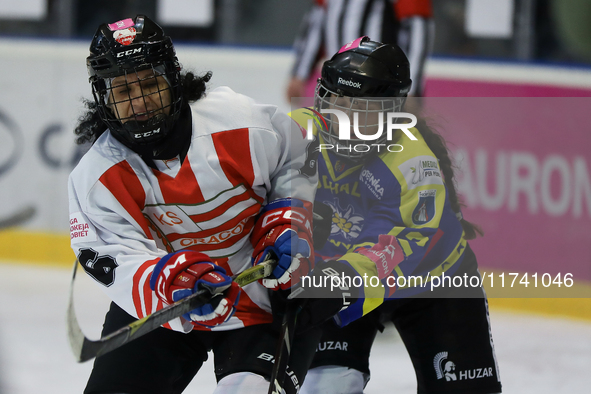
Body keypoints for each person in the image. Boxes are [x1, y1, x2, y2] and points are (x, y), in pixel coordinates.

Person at [68, 15, 321, 394]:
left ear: (173, 79)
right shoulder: (97, 179)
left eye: (150, 83)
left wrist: (288, 219)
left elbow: (299, 161)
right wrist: (172, 281)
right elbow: (116, 259)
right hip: (169, 305)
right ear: (103, 98)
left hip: (263, 295)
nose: (139, 102)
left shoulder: (240, 122)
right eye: (122, 91)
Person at [289, 37, 502, 393]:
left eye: (361, 109)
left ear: (392, 113)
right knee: (325, 387)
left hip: (432, 282)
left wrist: (336, 280)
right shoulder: (295, 134)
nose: (344, 121)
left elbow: (397, 247)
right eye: (337, 103)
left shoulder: (412, 164)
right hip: (341, 275)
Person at [286, 0, 434, 101]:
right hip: (339, 81)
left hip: (380, 83)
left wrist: (411, 90)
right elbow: (317, 22)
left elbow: (418, 28)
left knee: (382, 139)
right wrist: (299, 74)